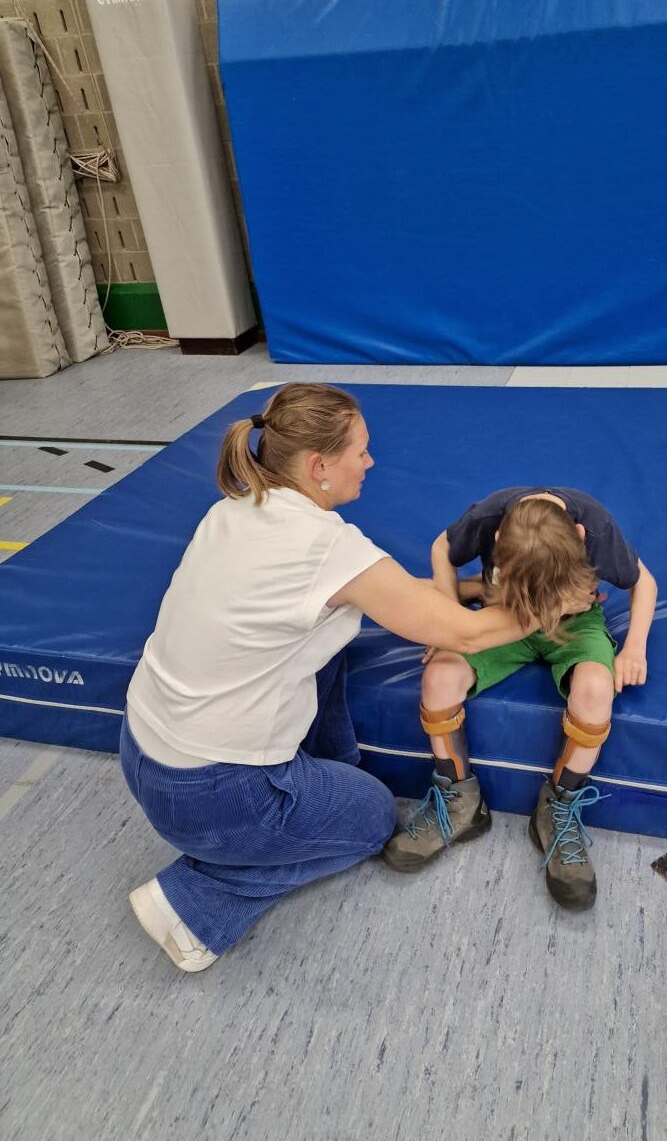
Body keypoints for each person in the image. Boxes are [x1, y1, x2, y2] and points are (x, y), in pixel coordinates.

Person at [121, 384, 532, 971]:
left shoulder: (236, 506)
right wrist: (548, 609)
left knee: (332, 635)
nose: (370, 462)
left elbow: (385, 592)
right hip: (210, 794)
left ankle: (322, 782)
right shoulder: (323, 546)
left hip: (142, 748)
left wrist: (471, 589)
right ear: (318, 466)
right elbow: (463, 635)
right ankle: (197, 899)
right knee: (373, 819)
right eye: (360, 451)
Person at [382, 488, 657, 910]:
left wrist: (634, 647)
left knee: (596, 688)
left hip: (572, 622)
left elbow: (644, 582)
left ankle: (559, 806)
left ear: (580, 537)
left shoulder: (597, 527)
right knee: (439, 677)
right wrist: (448, 616)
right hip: (509, 613)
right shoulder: (488, 517)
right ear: (498, 543)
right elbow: (441, 547)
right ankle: (460, 802)